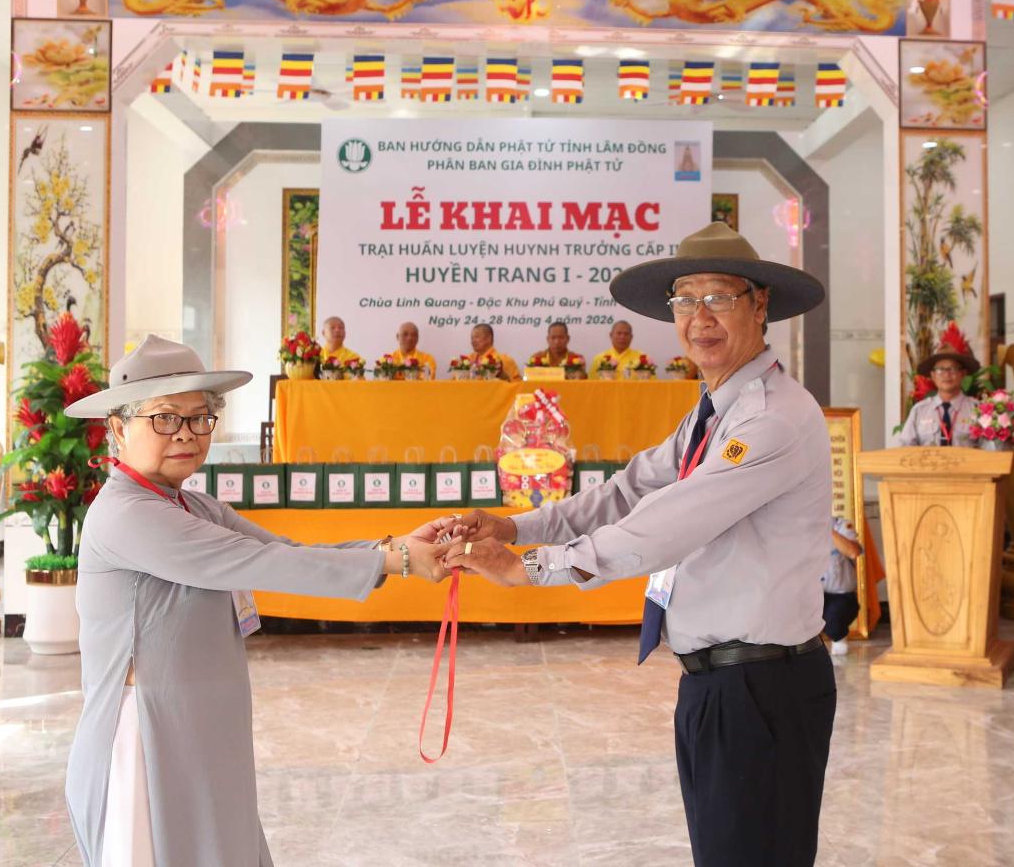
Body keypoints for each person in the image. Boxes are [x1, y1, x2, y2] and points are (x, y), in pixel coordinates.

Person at [440, 222, 833, 867]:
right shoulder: (713, 411)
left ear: (760, 304)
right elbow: (627, 491)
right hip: (717, 683)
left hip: (762, 687)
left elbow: (662, 527)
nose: (699, 318)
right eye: (685, 300)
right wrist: (516, 526)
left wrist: (529, 569)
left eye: (719, 297)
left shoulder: (772, 419)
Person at [62, 336, 448, 866]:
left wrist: (391, 546)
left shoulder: (195, 506)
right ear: (119, 427)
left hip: (205, 716)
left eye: (199, 418)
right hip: (150, 728)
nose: (186, 433)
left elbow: (283, 550)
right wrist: (396, 561)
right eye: (165, 418)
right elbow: (261, 564)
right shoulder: (126, 514)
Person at [895, 327, 980, 447]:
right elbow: (905, 448)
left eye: (952, 369)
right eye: (940, 370)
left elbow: (990, 451)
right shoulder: (919, 410)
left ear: (963, 374)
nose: (946, 374)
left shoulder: (977, 409)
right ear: (933, 375)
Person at [823, 516, 863, 657]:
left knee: (834, 621)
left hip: (841, 596)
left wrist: (825, 527)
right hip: (813, 594)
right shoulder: (799, 526)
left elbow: (853, 552)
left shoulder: (841, 526)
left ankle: (838, 637)